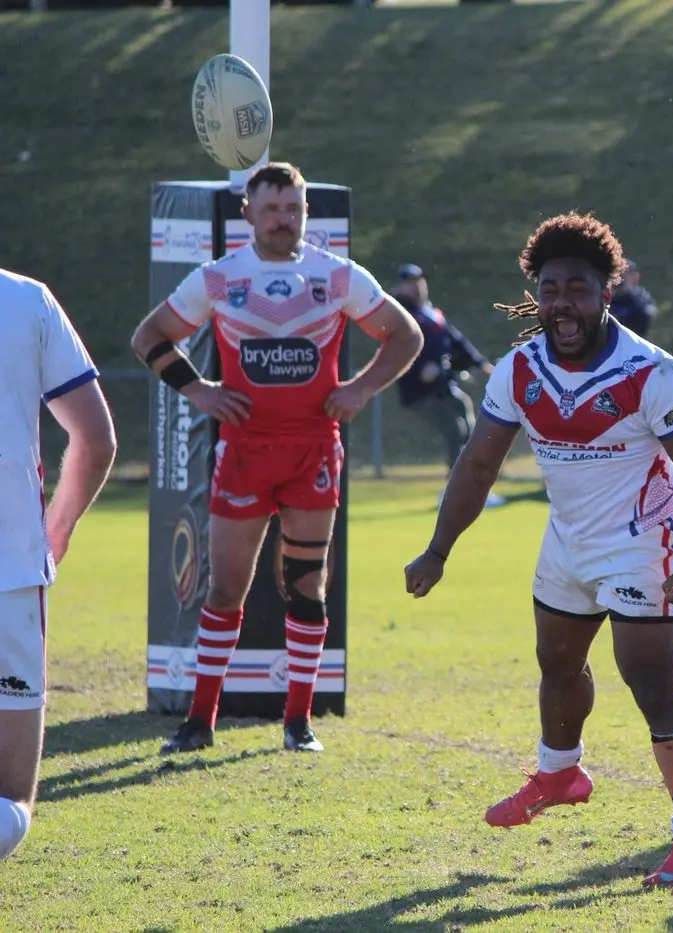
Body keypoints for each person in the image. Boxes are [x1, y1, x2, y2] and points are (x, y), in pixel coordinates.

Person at [403, 212, 673, 888]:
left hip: (642, 545)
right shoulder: (520, 368)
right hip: (567, 542)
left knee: (650, 686)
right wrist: (437, 550)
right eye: (549, 289)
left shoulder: (650, 371)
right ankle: (560, 772)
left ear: (605, 293)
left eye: (577, 288)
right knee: (555, 661)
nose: (562, 303)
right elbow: (476, 465)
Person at [131, 162, 423, 755]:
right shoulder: (219, 279)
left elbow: (406, 334)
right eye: (271, 209)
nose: (283, 219)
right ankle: (199, 722)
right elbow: (149, 337)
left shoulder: (336, 278)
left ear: (306, 213)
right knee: (224, 592)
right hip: (243, 455)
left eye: (293, 208)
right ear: (248, 214)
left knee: (306, 588)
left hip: (314, 452)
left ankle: (298, 723)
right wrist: (201, 391)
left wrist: (362, 387)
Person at [0, 269, 116, 862]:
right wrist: (56, 531)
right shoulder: (25, 300)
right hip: (11, 570)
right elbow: (95, 438)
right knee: (10, 803)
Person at [392, 264, 503, 504]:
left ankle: (473, 486)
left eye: (419, 281)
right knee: (455, 429)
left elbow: (457, 341)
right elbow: (393, 346)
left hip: (442, 386)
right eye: (409, 282)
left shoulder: (432, 313)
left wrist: (480, 363)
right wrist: (419, 366)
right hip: (419, 390)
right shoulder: (399, 314)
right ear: (398, 287)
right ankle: (455, 491)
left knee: (466, 422)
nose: (416, 286)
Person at [609, 259, 658, 339]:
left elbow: (645, 318)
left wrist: (628, 291)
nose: (620, 277)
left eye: (625, 273)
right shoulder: (605, 297)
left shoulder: (641, 297)